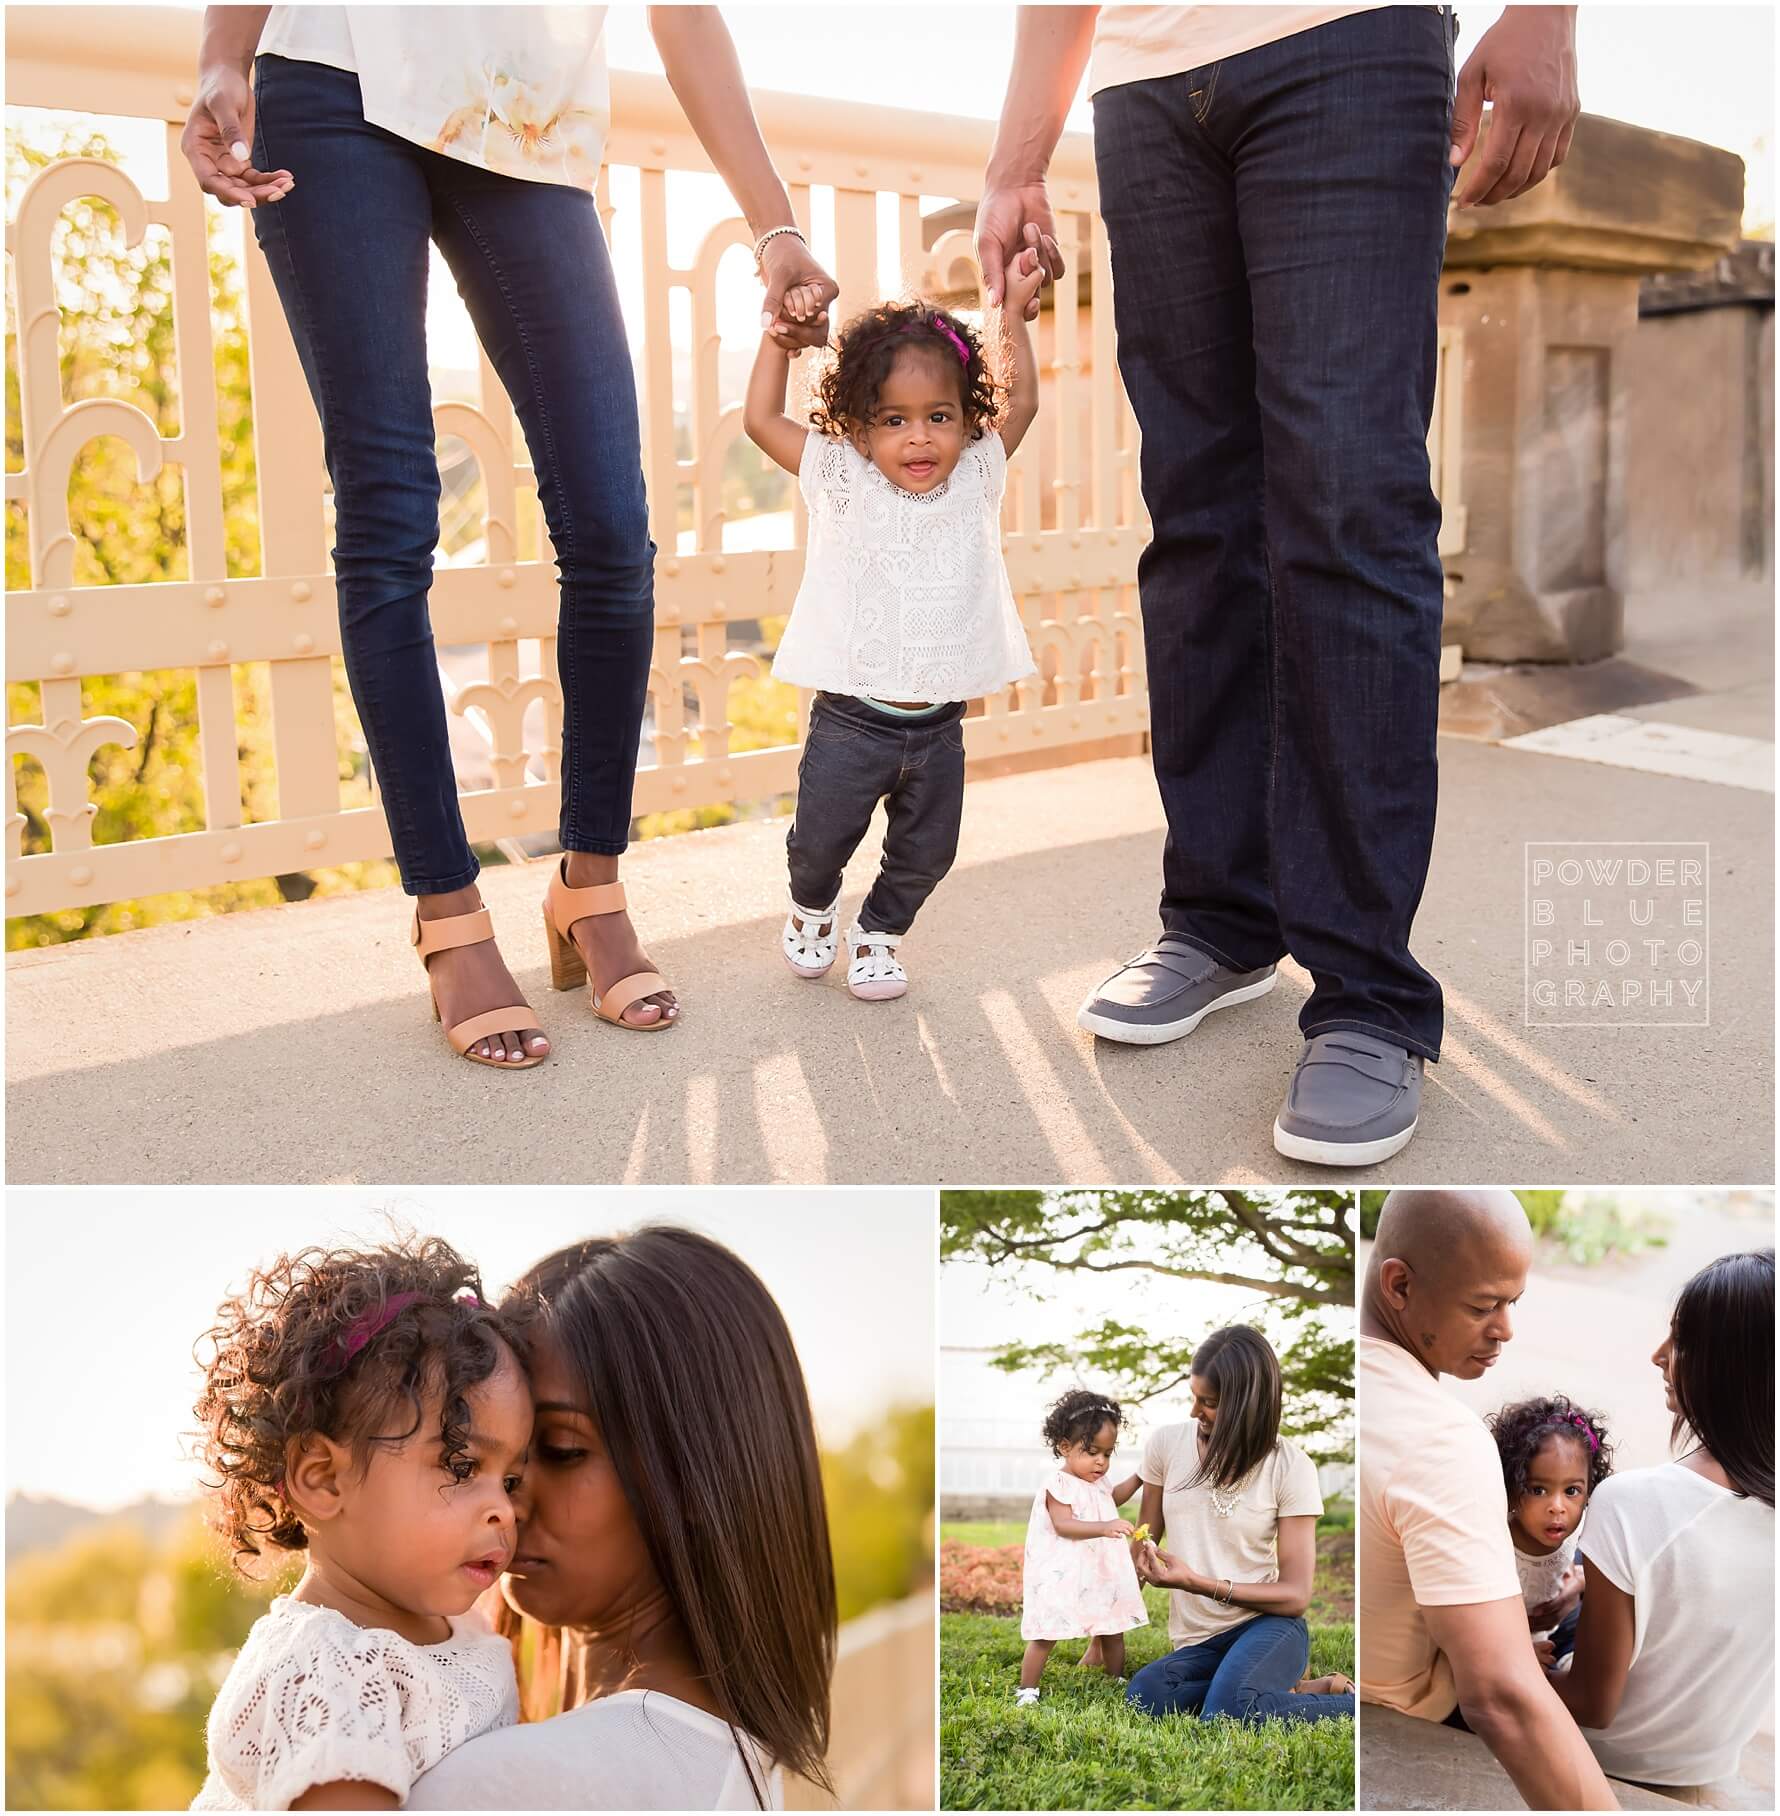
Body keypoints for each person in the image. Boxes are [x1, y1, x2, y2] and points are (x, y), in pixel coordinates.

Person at [975, 6, 1581, 1164]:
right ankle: (1219, 914)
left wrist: (1548, 13)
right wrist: (1016, 158)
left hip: (1345, 41)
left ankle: (1365, 993)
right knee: (1196, 520)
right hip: (1147, 85)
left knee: (1347, 505)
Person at [182, 5, 839, 1066]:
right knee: (391, 511)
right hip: (335, 80)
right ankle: (447, 912)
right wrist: (222, 54)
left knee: (613, 528)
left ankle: (589, 886)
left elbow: (683, 15)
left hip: (530, 121)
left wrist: (774, 226)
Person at [403, 1226, 836, 1809]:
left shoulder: (514, 1784)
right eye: (480, 1454)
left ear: (692, 1474)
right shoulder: (726, 1761)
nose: (505, 1502)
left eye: (559, 1449)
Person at [742, 261, 1044, 1001]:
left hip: (939, 729)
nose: (919, 439)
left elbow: (1026, 401)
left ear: (967, 418)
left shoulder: (977, 474)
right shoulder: (841, 477)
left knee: (927, 854)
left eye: (939, 416)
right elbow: (759, 422)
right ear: (859, 424)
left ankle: (879, 934)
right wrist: (778, 342)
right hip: (850, 723)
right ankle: (812, 911)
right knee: (819, 847)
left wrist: (1010, 316)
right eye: (894, 419)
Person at [189, 1238, 532, 1809]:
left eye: (511, 1480)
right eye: (462, 1465)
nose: (504, 1509)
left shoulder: (465, 1632)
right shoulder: (327, 1668)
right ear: (324, 1479)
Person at [1358, 1189, 1616, 1809]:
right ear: (1399, 1286)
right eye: (1483, 1306)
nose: (1505, 1330)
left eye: (1513, 1303)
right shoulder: (1443, 1439)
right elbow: (1501, 1697)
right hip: (1402, 1725)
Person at [1546, 1249, 1774, 1792]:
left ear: (1730, 1365)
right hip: (1705, 1767)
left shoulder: (1633, 1500)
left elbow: (1591, 1704)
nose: (1658, 1355)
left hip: (1603, 1756)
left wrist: (1501, 1658)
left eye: (1681, 1341)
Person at [1124, 1325, 1353, 1725]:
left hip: (1267, 1628)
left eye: (1208, 1402)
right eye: (1194, 1397)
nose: (1195, 1411)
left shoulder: (1290, 1466)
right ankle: (1287, 1690)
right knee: (1146, 1696)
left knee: (1228, 1713)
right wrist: (1103, 1634)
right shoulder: (1166, 1445)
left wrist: (1195, 1582)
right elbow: (1143, 1540)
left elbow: (1296, 1596)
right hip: (1199, 1642)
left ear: (1247, 1404)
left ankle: (1356, 1706)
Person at [1015, 1389, 1148, 1706]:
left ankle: (1115, 1678)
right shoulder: (1058, 1484)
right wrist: (1105, 1527)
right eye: (1091, 1452)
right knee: (1046, 1632)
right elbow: (1064, 1524)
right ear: (1064, 1447)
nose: (1101, 1461)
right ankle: (1028, 1688)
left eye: (1107, 1453)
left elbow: (1110, 1498)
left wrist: (1141, 1477)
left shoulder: (1097, 1482)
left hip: (1098, 1570)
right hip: (1064, 1571)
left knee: (1112, 1625)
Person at [1485, 1396, 1613, 1662]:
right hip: (1502, 1641)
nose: (1558, 1507)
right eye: (1538, 1490)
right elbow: (1474, 1623)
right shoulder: (1495, 1545)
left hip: (1555, 1625)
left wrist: (1577, 1582)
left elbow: (1599, 1570)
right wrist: (1517, 1654)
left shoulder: (1580, 1524)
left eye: (1572, 1491)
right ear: (1511, 1486)